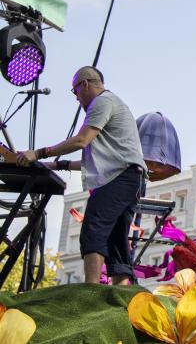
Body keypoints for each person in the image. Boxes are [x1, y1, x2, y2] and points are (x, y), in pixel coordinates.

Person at [16, 66, 147, 285]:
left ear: (85, 84)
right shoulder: (113, 105)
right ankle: (122, 296)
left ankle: (91, 290)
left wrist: (38, 152)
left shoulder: (102, 102)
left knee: (93, 228)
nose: (76, 98)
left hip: (121, 178)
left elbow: (81, 140)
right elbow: (98, 161)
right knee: (116, 239)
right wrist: (54, 164)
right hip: (130, 178)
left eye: (74, 91)